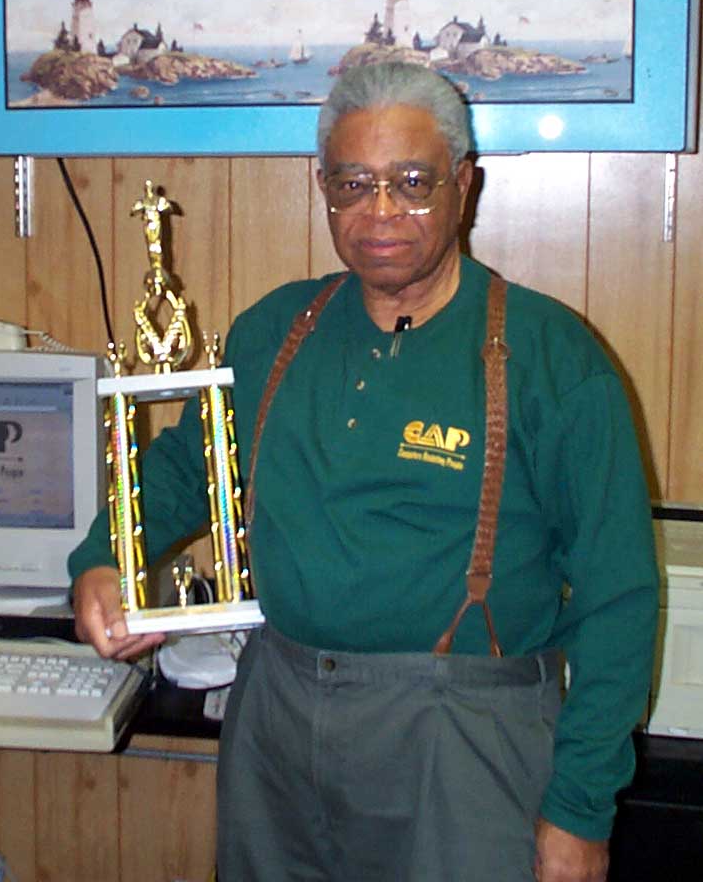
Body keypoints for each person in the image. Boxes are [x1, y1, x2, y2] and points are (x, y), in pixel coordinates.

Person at [69, 62, 658, 882]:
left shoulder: (554, 359)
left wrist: (581, 808)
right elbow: (181, 470)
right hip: (275, 715)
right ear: (324, 190)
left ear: (465, 185)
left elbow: (619, 600)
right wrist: (103, 556)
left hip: (465, 736)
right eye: (354, 184)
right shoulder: (274, 330)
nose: (381, 211)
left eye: (412, 182)